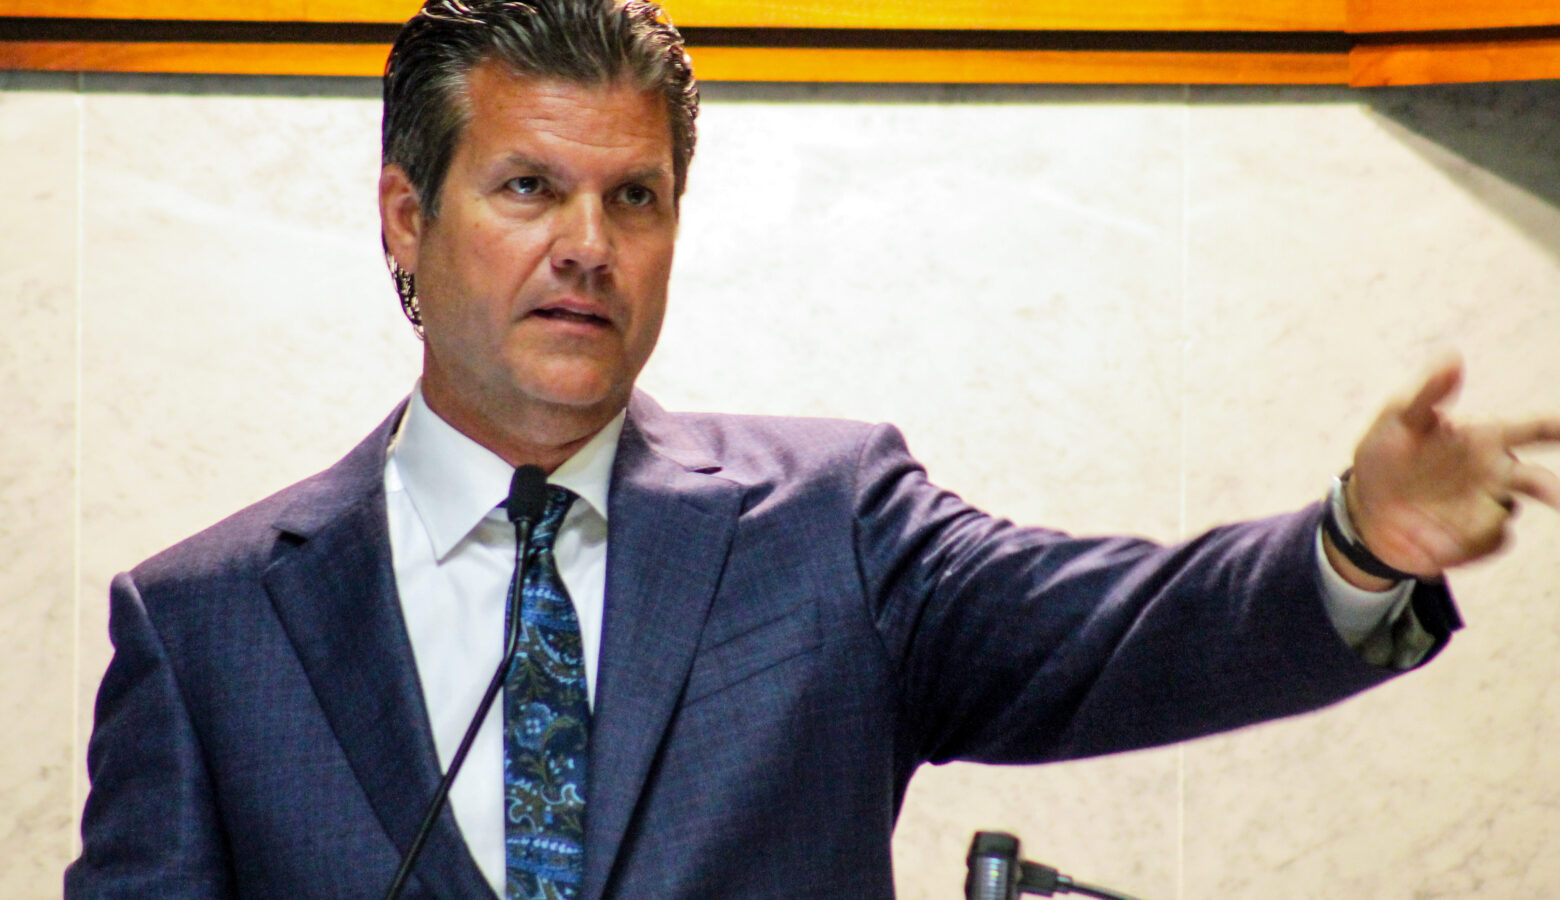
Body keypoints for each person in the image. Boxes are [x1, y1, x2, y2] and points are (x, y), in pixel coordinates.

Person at [65, 1, 1560, 898]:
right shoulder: (206, 628)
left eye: (635, 200)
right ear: (407, 217)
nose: (588, 246)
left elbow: (1120, 637)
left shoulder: (825, 530)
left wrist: (1354, 545)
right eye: (530, 187)